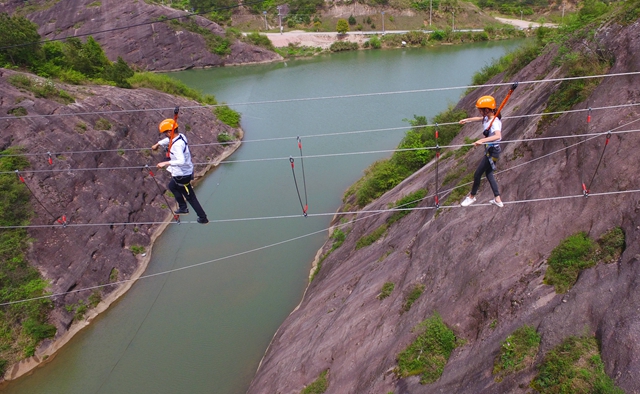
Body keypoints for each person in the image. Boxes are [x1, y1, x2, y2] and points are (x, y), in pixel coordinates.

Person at [152, 119, 209, 224]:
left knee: (190, 197)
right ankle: (183, 207)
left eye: (165, 133)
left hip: (182, 175)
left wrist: (165, 163)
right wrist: (158, 144)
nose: (165, 135)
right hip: (185, 171)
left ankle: (203, 218)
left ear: (170, 132)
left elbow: (181, 161)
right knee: (172, 186)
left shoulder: (177, 146)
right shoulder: (181, 136)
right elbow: (169, 141)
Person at [458, 95, 504, 208]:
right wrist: (467, 120)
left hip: (493, 151)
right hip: (491, 151)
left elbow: (498, 136)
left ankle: (471, 197)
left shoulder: (495, 122)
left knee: (477, 174)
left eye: (480, 110)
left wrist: (482, 140)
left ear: (487, 109)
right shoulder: (488, 118)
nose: (479, 112)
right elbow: (479, 119)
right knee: (488, 174)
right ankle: (497, 199)